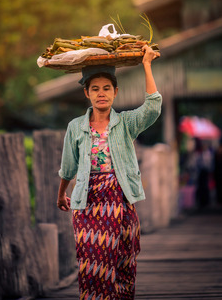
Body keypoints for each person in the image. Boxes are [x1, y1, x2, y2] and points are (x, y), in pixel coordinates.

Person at [57, 45, 162, 299]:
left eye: (106, 88)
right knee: (92, 263)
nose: (101, 94)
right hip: (88, 202)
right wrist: (61, 194)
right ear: (86, 93)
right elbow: (68, 166)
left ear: (115, 92)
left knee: (122, 261)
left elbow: (152, 108)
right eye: (95, 89)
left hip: (119, 201)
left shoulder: (126, 123)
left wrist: (146, 64)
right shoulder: (76, 127)